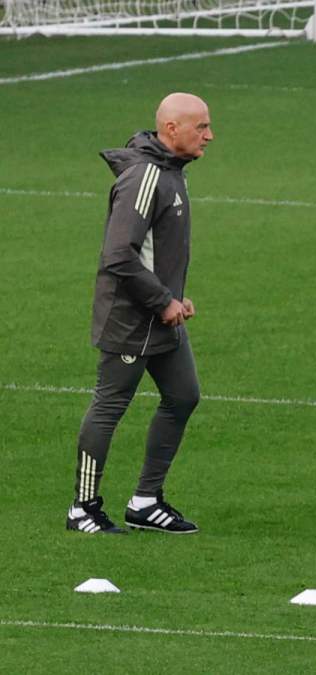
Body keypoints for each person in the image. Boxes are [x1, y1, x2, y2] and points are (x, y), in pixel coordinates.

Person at [66, 92, 213, 535]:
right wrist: (162, 299)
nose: (210, 135)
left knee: (184, 396)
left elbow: (156, 252)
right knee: (110, 406)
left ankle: (146, 500)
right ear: (172, 129)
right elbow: (119, 255)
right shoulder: (145, 177)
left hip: (161, 316)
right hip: (132, 320)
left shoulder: (173, 173)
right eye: (201, 126)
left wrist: (175, 297)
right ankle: (83, 508)